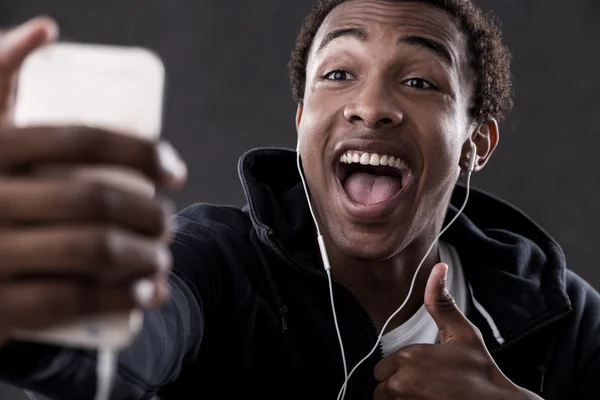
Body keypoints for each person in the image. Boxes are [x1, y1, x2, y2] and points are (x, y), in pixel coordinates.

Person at [0, 0, 598, 399]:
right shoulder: (215, 261)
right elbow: (131, 344)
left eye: (419, 81)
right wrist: (37, 316)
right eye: (338, 74)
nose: (370, 106)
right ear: (301, 120)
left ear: (476, 142)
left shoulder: (566, 317)